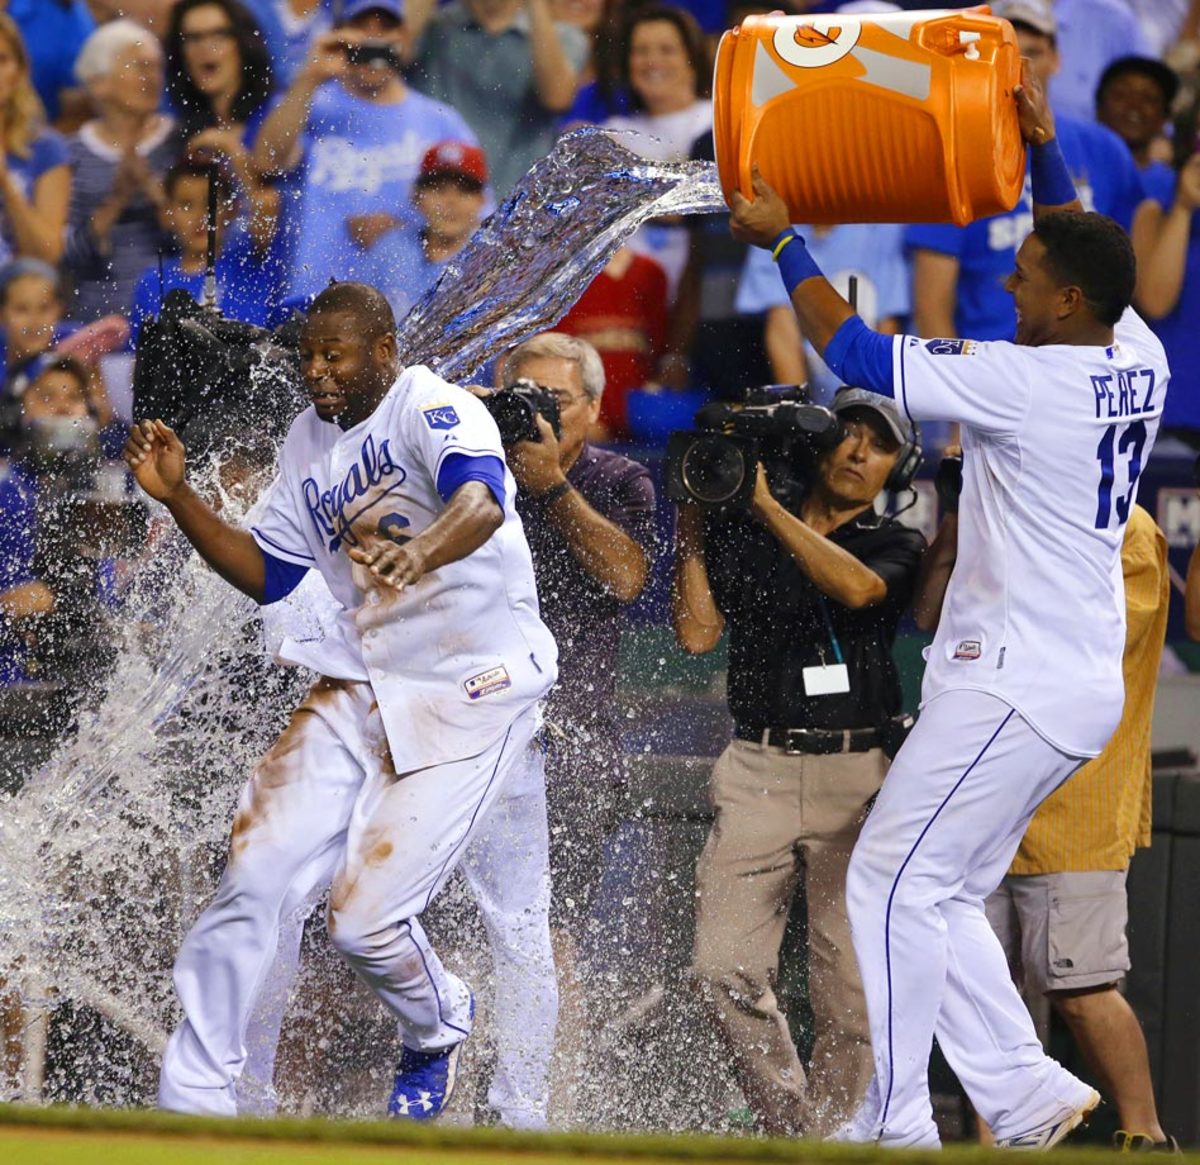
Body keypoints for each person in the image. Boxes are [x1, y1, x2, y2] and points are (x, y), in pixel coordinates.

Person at [728, 59, 1171, 1148]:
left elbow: (853, 351)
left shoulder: (1030, 380)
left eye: (1025, 278)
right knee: (939, 891)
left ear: (1067, 302)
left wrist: (785, 243)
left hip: (1011, 680)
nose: (1008, 287)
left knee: (887, 877)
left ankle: (892, 1123)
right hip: (1067, 684)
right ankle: (1021, 1089)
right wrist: (1045, 146)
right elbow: (1079, 238)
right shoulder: (1139, 353)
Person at [124, 281, 557, 1119]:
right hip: (368, 682)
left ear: (384, 351)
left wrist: (422, 552)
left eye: (336, 354)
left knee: (366, 923)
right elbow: (269, 574)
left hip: (475, 687)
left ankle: (446, 1035)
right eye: (309, 356)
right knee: (255, 873)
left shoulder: (431, 405)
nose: (318, 370)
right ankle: (201, 1101)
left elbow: (479, 498)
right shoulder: (305, 439)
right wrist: (179, 497)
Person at [672, 388, 925, 1138]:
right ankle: (794, 1131)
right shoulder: (746, 528)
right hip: (759, 766)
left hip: (858, 775)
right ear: (819, 443)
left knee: (851, 992)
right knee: (719, 968)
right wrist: (694, 530)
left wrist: (766, 508)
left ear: (897, 466)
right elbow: (696, 636)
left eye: (879, 444)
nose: (858, 452)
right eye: (848, 434)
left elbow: (858, 588)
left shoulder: (895, 540)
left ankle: (833, 1136)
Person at [918, 487, 1175, 1151]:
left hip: (1075, 808)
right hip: (983, 801)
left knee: (1081, 987)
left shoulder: (1126, 526)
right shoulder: (1001, 511)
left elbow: (1097, 644)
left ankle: (1147, 1137)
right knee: (986, 996)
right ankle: (1000, 1146)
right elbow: (936, 622)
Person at [906, 0, 1152, 348]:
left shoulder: (1106, 150)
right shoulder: (951, 154)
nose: (1019, 69)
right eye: (1008, 54)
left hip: (1078, 364)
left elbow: (1129, 277)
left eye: (1033, 53)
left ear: (1056, 58)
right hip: (989, 362)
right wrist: (961, 378)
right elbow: (932, 305)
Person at [254, 0, 478, 301]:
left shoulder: (441, 120)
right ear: (340, 33)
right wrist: (310, 76)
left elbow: (478, 220)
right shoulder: (311, 102)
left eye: (385, 27)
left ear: (404, 38)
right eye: (362, 27)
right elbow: (267, 161)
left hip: (402, 305)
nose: (373, 38)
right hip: (311, 299)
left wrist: (407, 230)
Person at [407, 0, 589, 199]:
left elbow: (557, 99)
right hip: (435, 204)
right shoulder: (435, 27)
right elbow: (395, 53)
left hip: (518, 204)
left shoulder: (562, 35)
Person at [64, 19, 177, 323]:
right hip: (94, 321)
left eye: (157, 67)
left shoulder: (181, 143)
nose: (152, 78)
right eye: (141, 66)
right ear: (98, 82)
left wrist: (154, 193)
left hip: (171, 317)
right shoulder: (71, 154)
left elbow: (201, 241)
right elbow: (66, 256)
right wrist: (117, 199)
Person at [601, 5, 712, 301]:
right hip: (630, 296)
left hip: (703, 291)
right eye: (641, 51)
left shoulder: (718, 120)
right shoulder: (613, 131)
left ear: (692, 58)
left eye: (667, 50)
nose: (653, 61)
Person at [736, 223, 909, 404]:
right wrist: (801, 412)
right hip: (818, 403)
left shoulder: (881, 227)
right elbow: (782, 332)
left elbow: (887, 329)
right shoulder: (772, 223)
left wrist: (870, 409)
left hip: (873, 401)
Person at [163, 0, 281, 253]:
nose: (205, 48)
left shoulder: (275, 117)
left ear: (244, 43)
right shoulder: (184, 133)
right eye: (193, 38)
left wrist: (232, 151)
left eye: (219, 35)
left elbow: (269, 235)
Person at [128, 159, 283, 346]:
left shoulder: (250, 263)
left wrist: (230, 149)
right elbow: (139, 356)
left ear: (231, 209)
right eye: (186, 205)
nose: (200, 216)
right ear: (166, 214)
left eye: (211, 204)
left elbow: (266, 203)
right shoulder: (153, 282)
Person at [360, 140, 488, 323]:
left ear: (481, 201)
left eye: (463, 192)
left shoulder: (487, 261)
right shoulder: (390, 247)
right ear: (416, 195)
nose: (451, 202)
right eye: (439, 190)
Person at [555, 246, 668, 440]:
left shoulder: (651, 272)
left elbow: (662, 349)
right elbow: (545, 357)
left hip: (640, 417)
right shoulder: (562, 274)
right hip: (585, 419)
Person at [0, 14, 70, 268]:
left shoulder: (46, 147)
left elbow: (48, 254)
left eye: (1, 60)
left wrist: (5, 182)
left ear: (19, 72)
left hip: (20, 283)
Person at [1095, 56, 1180, 207]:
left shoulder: (1179, 190)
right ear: (1099, 108)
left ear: (1165, 117)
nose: (1134, 106)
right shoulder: (1070, 171)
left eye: (1149, 98)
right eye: (1121, 94)